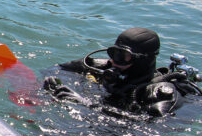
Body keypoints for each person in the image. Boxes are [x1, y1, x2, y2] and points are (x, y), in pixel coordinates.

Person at [43, 27, 201, 117]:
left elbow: (151, 128)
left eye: (123, 56)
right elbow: (56, 69)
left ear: (141, 61)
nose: (113, 61)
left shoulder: (161, 94)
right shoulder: (101, 68)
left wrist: (87, 105)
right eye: (113, 53)